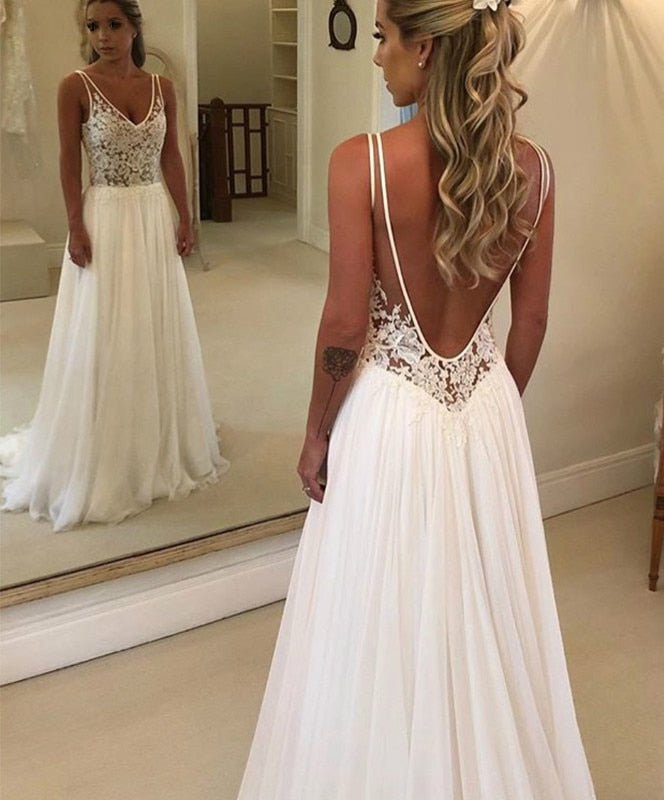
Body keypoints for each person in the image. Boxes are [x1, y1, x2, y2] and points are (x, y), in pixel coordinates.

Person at [237, 1, 595, 797]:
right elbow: (531, 321)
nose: (377, 58)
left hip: (390, 412)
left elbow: (344, 321)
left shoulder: (360, 161)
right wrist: (486, 409)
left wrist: (315, 433)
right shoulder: (535, 171)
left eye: (382, 38)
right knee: (482, 605)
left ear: (424, 48)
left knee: (378, 610)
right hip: (487, 406)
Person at [0, 0, 228, 531]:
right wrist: (74, 225)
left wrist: (186, 216)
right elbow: (67, 161)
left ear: (134, 27)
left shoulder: (162, 88)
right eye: (94, 26)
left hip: (151, 213)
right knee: (105, 328)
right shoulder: (75, 86)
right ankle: (104, 440)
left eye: (113, 24)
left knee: (151, 323)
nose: (102, 35)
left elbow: (171, 156)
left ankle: (154, 432)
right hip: (104, 215)